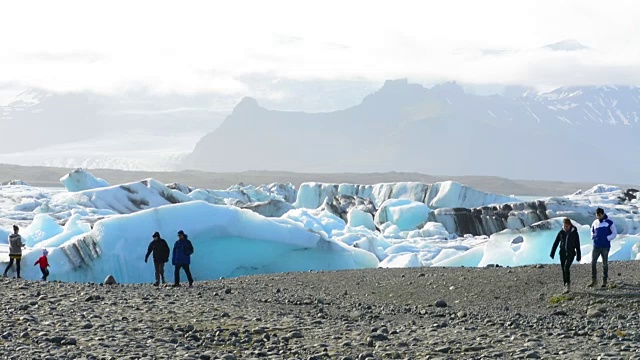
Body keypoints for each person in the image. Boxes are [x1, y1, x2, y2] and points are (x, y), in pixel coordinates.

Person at [550, 218, 581, 294]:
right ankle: (565, 284)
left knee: (566, 267)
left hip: (571, 253)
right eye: (564, 226)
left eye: (567, 226)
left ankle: (568, 285)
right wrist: (552, 253)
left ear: (570, 225)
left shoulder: (574, 233)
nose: (565, 227)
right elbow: (556, 242)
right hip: (562, 253)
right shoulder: (561, 232)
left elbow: (577, 245)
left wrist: (578, 255)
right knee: (563, 269)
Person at [589, 207, 617, 288]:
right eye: (597, 215)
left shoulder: (609, 222)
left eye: (600, 215)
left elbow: (614, 233)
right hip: (596, 246)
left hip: (605, 246)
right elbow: (592, 231)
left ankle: (604, 281)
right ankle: (594, 280)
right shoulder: (595, 222)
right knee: (593, 262)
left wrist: (607, 238)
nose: (598, 216)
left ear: (603, 214)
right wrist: (593, 237)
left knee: (604, 263)